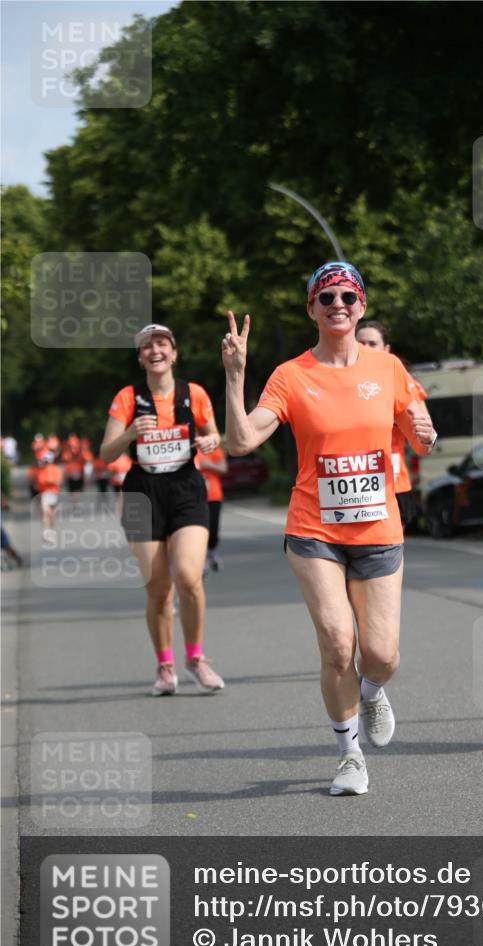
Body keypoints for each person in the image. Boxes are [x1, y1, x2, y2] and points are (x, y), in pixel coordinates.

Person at [222, 261, 436, 795]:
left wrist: (425, 432)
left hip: (379, 529)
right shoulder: (292, 375)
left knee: (381, 655)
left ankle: (372, 690)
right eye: (326, 298)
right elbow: (242, 441)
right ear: (311, 310)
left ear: (361, 305)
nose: (337, 305)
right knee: (338, 642)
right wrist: (234, 376)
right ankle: (348, 755)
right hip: (314, 528)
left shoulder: (387, 369)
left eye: (347, 296)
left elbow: (419, 432)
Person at [100, 323, 225, 696]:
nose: (155, 351)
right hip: (142, 491)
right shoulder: (127, 397)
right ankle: (165, 666)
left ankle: (196, 658)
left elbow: (215, 435)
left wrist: (210, 440)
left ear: (174, 353)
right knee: (157, 588)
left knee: (188, 576)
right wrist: (129, 434)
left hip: (186, 486)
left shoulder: (195, 393)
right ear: (140, 358)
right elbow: (106, 454)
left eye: (162, 344)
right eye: (147, 347)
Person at [355, 321, 427, 528]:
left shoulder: (401, 381)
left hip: (393, 481)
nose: (366, 348)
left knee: (387, 551)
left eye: (372, 343)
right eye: (360, 343)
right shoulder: (339, 380)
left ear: (386, 350)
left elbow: (423, 427)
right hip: (352, 481)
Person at [195, 443, 228, 573]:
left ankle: (212, 552)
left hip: (213, 496)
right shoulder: (184, 446)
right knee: (198, 531)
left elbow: (223, 468)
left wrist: (209, 465)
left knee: (212, 531)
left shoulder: (211, 446)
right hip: (193, 498)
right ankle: (201, 561)